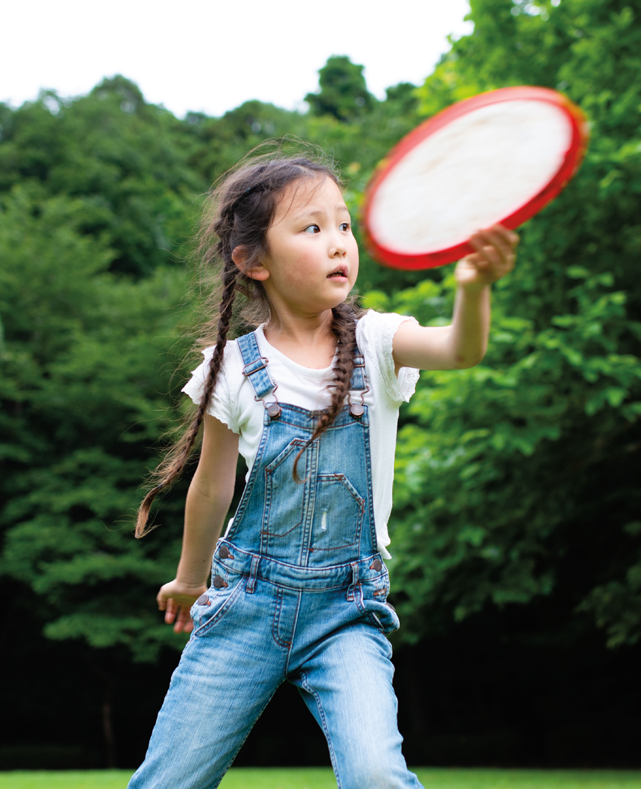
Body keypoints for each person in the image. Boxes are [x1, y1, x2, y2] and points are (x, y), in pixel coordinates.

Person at [129, 150, 517, 789]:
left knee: (376, 776)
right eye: (312, 229)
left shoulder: (379, 342)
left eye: (343, 225)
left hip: (347, 611)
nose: (338, 243)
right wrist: (190, 580)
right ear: (254, 262)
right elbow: (213, 485)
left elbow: (462, 348)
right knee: (166, 781)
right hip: (245, 606)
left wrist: (472, 287)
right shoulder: (232, 366)